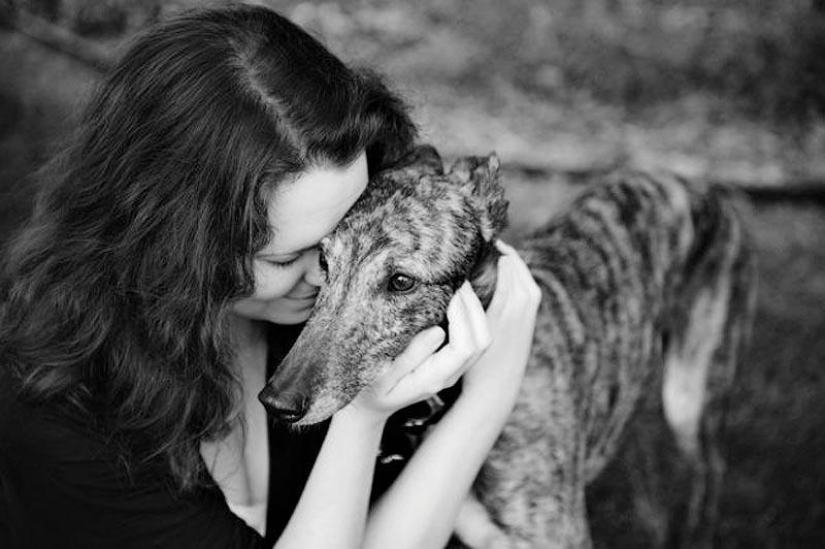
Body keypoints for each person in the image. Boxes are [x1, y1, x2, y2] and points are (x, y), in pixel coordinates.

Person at [0, 4, 540, 549]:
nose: (334, 283)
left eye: (342, 236)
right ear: (176, 247)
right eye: (287, 259)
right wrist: (478, 399)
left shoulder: (310, 320)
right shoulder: (56, 406)